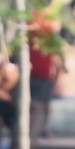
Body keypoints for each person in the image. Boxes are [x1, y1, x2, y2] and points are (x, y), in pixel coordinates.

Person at [28, 11, 62, 141]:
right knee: (36, 105)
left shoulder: (48, 25)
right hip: (34, 73)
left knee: (43, 103)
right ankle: (33, 136)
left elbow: (55, 53)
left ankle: (42, 130)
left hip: (44, 74)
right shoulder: (33, 23)